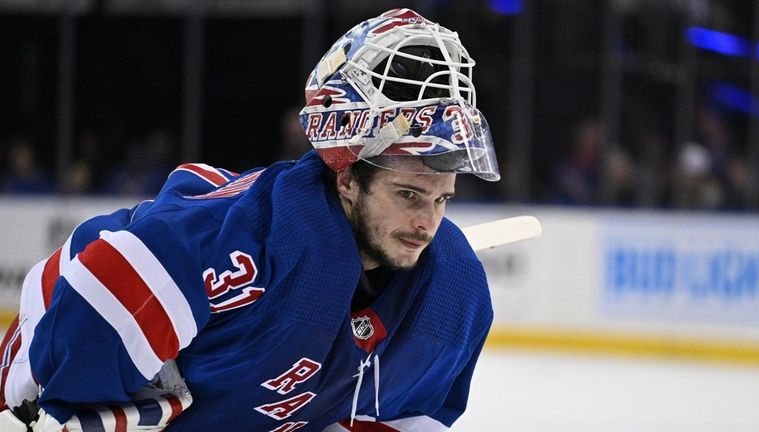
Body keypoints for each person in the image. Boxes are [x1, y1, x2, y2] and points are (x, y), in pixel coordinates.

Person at [0, 8, 500, 431]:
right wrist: (52, 385)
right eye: (409, 193)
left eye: (442, 200)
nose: (426, 224)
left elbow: (410, 414)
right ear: (346, 177)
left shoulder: (456, 291)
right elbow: (94, 301)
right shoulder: (229, 245)